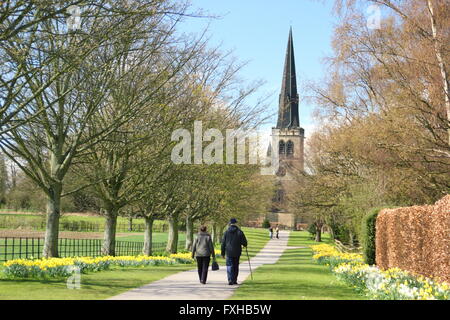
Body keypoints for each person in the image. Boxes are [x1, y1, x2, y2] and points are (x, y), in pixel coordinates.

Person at [221, 218, 248, 285]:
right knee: (236, 266)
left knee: (229, 265)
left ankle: (230, 279)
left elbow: (223, 243)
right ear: (236, 223)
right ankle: (234, 280)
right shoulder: (239, 232)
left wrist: (222, 253)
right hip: (237, 251)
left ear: (230, 223)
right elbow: (244, 242)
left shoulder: (226, 232)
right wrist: (244, 245)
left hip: (228, 252)